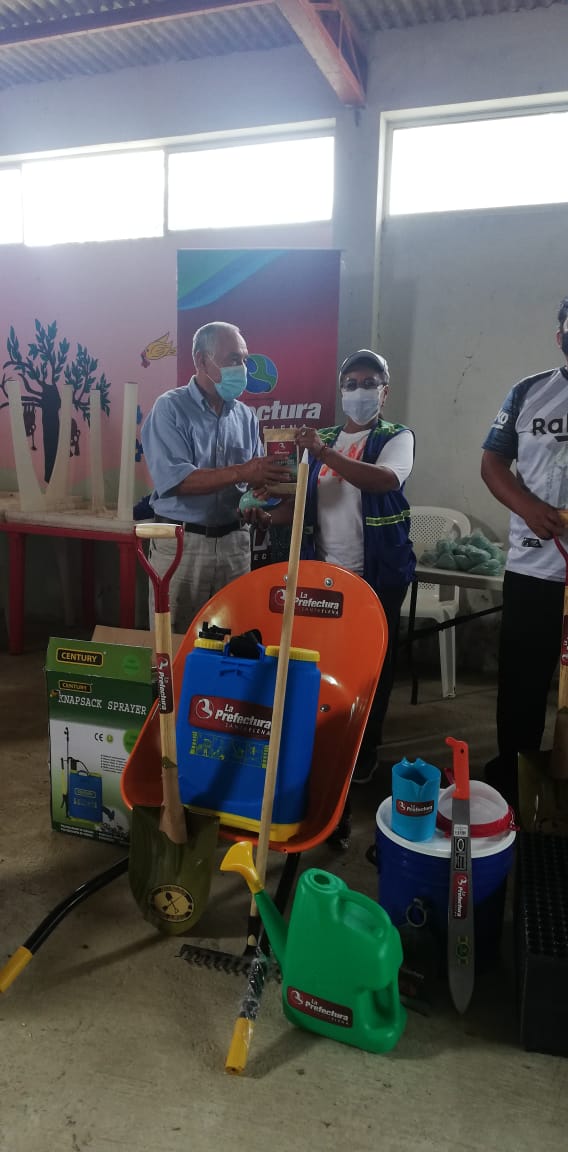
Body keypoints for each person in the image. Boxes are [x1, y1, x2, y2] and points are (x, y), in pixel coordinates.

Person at [141, 320, 290, 633]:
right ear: (201, 361)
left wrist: (258, 496)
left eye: (244, 360)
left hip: (235, 545)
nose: (242, 369)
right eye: (233, 360)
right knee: (174, 641)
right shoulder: (170, 409)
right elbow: (177, 481)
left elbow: (250, 483)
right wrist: (244, 471)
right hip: (183, 546)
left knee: (234, 639)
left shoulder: (246, 417)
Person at [481, 296, 568, 809]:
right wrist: (528, 507)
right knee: (522, 687)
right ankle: (513, 783)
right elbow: (493, 463)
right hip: (534, 568)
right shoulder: (529, 392)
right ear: (559, 336)